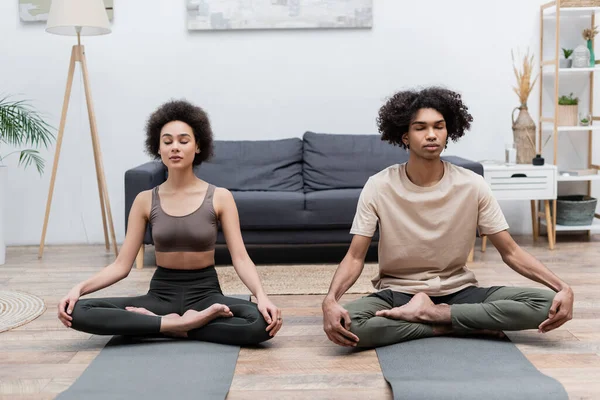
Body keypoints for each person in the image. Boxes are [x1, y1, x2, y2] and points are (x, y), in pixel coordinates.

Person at [322, 87, 574, 348]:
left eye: (438, 126)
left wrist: (562, 287)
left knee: (547, 304)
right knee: (349, 325)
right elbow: (355, 256)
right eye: (420, 128)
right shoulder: (379, 185)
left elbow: (510, 251)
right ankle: (451, 327)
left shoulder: (472, 185)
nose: (431, 134)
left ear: (448, 131)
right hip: (398, 294)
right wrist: (330, 299)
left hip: (460, 293)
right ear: (405, 136)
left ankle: (436, 316)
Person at [58, 100, 282, 345]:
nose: (175, 147)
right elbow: (122, 266)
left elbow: (240, 257)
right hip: (160, 295)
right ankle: (187, 325)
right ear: (159, 148)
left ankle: (157, 325)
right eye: (167, 141)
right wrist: (78, 288)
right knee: (77, 311)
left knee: (260, 324)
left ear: (198, 146)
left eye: (183, 141)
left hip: (205, 293)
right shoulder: (145, 200)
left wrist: (261, 296)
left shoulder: (220, 197)